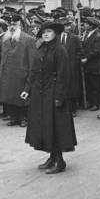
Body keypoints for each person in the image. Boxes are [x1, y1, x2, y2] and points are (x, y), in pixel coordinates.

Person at [24, 21, 76, 174]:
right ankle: (52, 157)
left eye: (49, 32)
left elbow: (63, 76)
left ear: (55, 34)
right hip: (40, 93)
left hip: (54, 94)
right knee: (45, 127)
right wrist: (27, 89)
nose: (45, 34)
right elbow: (33, 71)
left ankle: (60, 161)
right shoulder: (42, 48)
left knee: (56, 128)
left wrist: (59, 97)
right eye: (43, 32)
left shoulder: (60, 51)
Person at [0, 13, 36, 127]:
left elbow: (32, 59)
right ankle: (14, 117)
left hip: (22, 73)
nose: (12, 26)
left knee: (22, 96)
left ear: (20, 24)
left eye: (15, 23)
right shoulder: (5, 38)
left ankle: (24, 118)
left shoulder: (28, 39)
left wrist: (30, 73)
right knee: (10, 96)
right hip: (8, 73)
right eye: (10, 23)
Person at [58, 17, 82, 117]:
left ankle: (73, 109)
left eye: (68, 25)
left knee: (72, 88)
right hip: (59, 66)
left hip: (71, 67)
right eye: (65, 26)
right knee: (61, 87)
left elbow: (79, 52)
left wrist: (74, 62)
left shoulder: (74, 38)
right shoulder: (57, 37)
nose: (68, 27)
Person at [81, 17, 100, 111]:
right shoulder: (87, 34)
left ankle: (96, 103)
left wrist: (87, 58)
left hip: (94, 64)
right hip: (88, 64)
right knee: (89, 84)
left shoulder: (98, 36)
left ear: (91, 26)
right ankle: (91, 102)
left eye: (86, 24)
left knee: (95, 85)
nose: (84, 25)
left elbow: (97, 51)